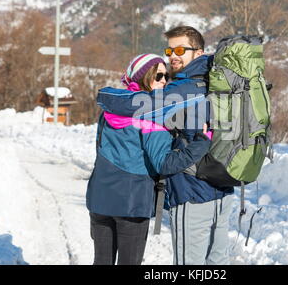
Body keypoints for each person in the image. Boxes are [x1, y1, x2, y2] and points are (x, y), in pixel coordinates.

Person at [96, 26, 235, 265]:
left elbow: (135, 105)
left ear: (199, 52)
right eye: (169, 50)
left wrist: (103, 96)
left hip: (192, 191)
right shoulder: (218, 81)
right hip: (223, 186)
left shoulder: (184, 89)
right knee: (217, 263)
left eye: (181, 49)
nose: (173, 55)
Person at [86, 53, 211, 265]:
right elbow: (165, 163)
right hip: (131, 203)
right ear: (143, 78)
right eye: (159, 75)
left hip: (99, 198)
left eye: (167, 76)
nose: (165, 81)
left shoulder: (110, 109)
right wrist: (202, 141)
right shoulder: (151, 116)